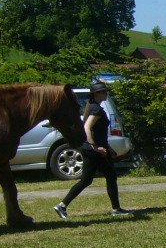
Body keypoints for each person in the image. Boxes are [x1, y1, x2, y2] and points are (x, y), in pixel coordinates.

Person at [53, 81, 132, 219]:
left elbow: (97, 132)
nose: (106, 93)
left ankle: (63, 205)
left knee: (87, 180)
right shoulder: (96, 109)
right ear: (96, 94)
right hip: (95, 151)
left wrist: (108, 147)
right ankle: (116, 209)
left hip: (92, 149)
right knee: (110, 176)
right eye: (103, 92)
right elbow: (87, 128)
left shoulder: (93, 107)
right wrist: (95, 147)